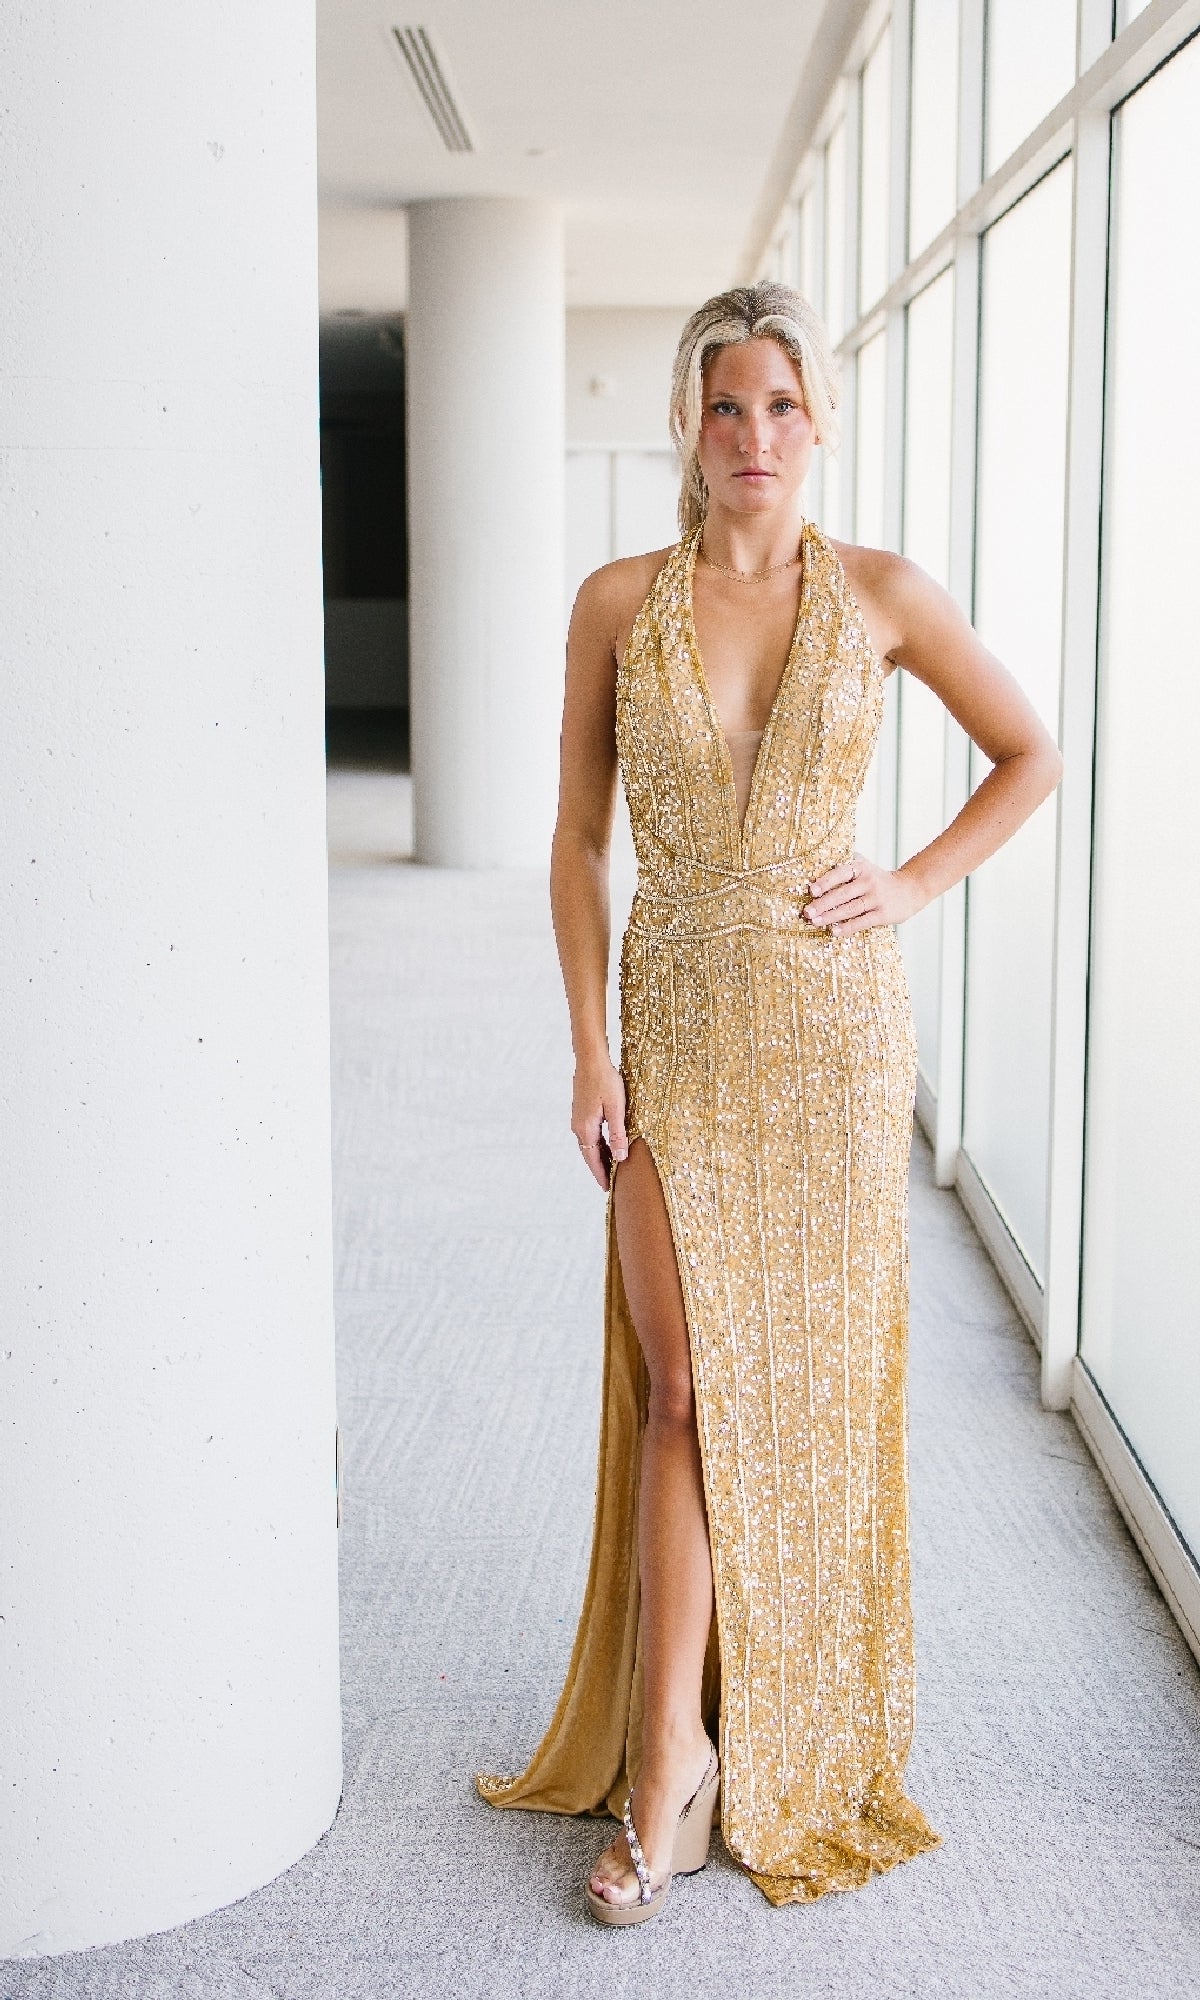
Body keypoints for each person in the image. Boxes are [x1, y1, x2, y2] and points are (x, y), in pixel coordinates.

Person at [477, 283, 1062, 1921]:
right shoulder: (617, 600)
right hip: (675, 1030)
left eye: (782, 408)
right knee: (681, 1391)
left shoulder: (880, 595)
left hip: (832, 1039)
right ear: (689, 423)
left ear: (820, 423)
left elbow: (1029, 753)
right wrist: (589, 1051)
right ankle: (671, 1763)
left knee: (792, 1403)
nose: (754, 439)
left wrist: (916, 879)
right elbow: (577, 839)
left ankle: (783, 1723)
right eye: (726, 407)